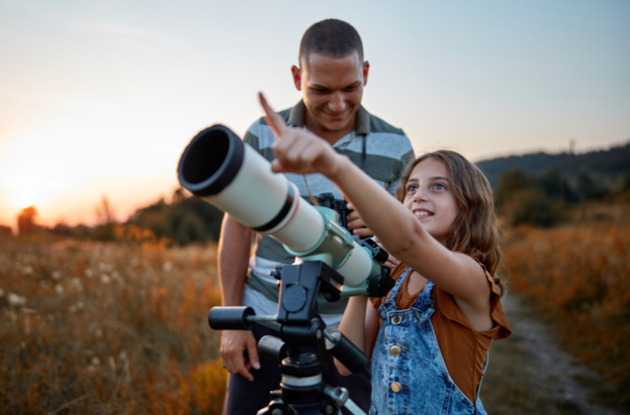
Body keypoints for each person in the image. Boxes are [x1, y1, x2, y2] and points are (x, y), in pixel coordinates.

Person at [259, 92, 512, 414]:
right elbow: (348, 362)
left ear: (468, 204)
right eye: (412, 188)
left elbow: (409, 242)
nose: (419, 195)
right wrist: (364, 270)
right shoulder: (395, 276)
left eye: (438, 186)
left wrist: (334, 166)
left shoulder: (470, 275)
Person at [219, 19, 415, 415]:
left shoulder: (396, 145)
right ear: (297, 77)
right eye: (320, 90)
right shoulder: (261, 135)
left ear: (366, 73)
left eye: (350, 88)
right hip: (269, 322)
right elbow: (237, 227)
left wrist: (381, 228)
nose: (338, 105)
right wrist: (234, 323)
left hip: (356, 332)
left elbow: (414, 240)